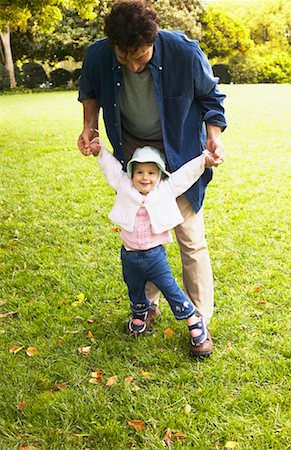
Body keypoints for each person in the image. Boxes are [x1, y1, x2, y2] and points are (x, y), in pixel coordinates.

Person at [77, 0, 227, 356]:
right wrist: (88, 127)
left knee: (189, 237)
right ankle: (148, 305)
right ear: (111, 43)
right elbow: (91, 92)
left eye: (140, 57)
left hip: (177, 148)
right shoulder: (98, 55)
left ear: (155, 39)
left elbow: (211, 98)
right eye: (123, 57)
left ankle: (199, 316)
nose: (131, 65)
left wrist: (214, 136)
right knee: (144, 232)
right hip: (133, 150)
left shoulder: (183, 51)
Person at [89, 137, 218, 354]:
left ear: (159, 174)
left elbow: (184, 176)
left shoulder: (165, 189)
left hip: (154, 257)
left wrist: (203, 161)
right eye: (139, 172)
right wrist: (99, 150)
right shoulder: (124, 185)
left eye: (151, 172)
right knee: (134, 287)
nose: (145, 178)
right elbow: (111, 168)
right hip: (129, 255)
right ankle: (140, 313)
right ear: (131, 174)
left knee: (170, 289)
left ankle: (193, 319)